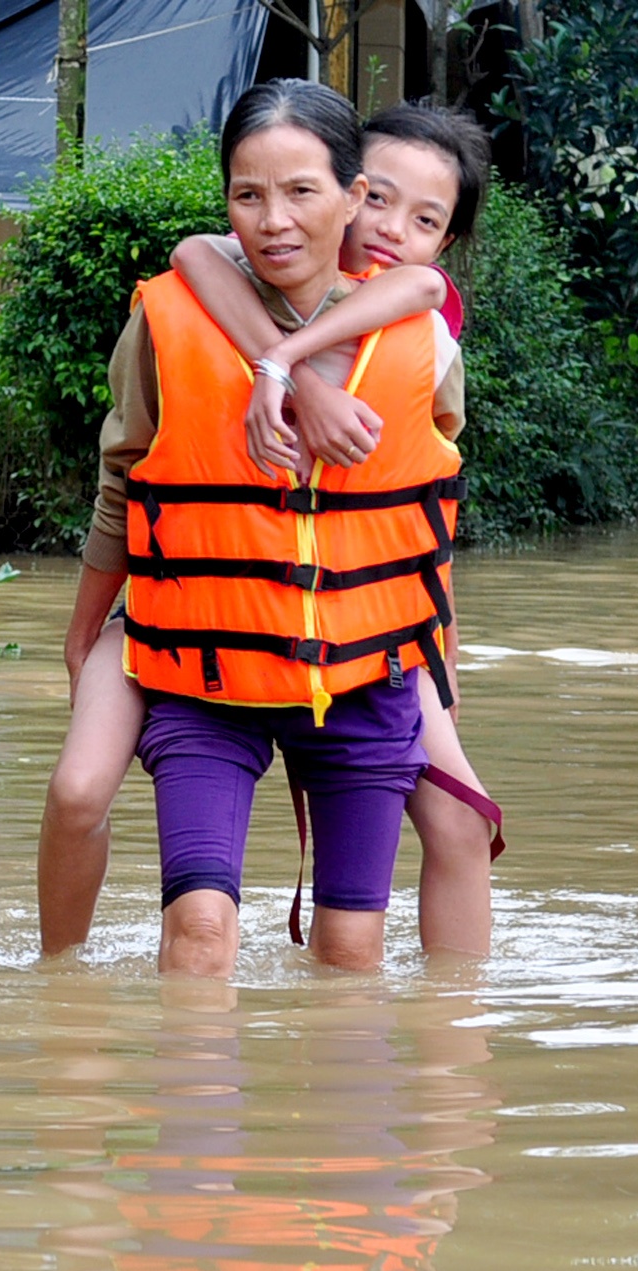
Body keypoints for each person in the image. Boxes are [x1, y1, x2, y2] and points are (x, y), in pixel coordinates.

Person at [35, 100, 497, 964]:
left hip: (364, 644)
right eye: (382, 202)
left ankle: (454, 1045)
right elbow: (125, 476)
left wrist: (445, 665)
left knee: (454, 829)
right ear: (355, 195)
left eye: (424, 219)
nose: (389, 231)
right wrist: (81, 631)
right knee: (88, 801)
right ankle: (58, 980)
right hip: (204, 632)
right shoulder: (191, 298)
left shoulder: (422, 336)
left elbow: (425, 525)